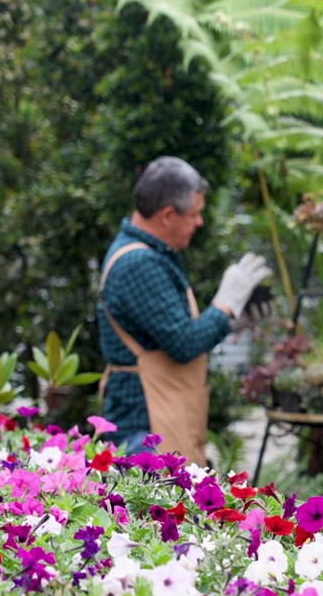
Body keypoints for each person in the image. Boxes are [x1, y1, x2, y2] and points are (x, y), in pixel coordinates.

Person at [98, 156, 272, 465]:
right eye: (194, 214)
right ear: (167, 215)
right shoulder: (139, 264)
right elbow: (183, 343)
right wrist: (225, 304)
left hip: (157, 419)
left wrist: (232, 321)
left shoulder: (150, 254)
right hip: (144, 432)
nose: (199, 222)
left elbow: (168, 334)